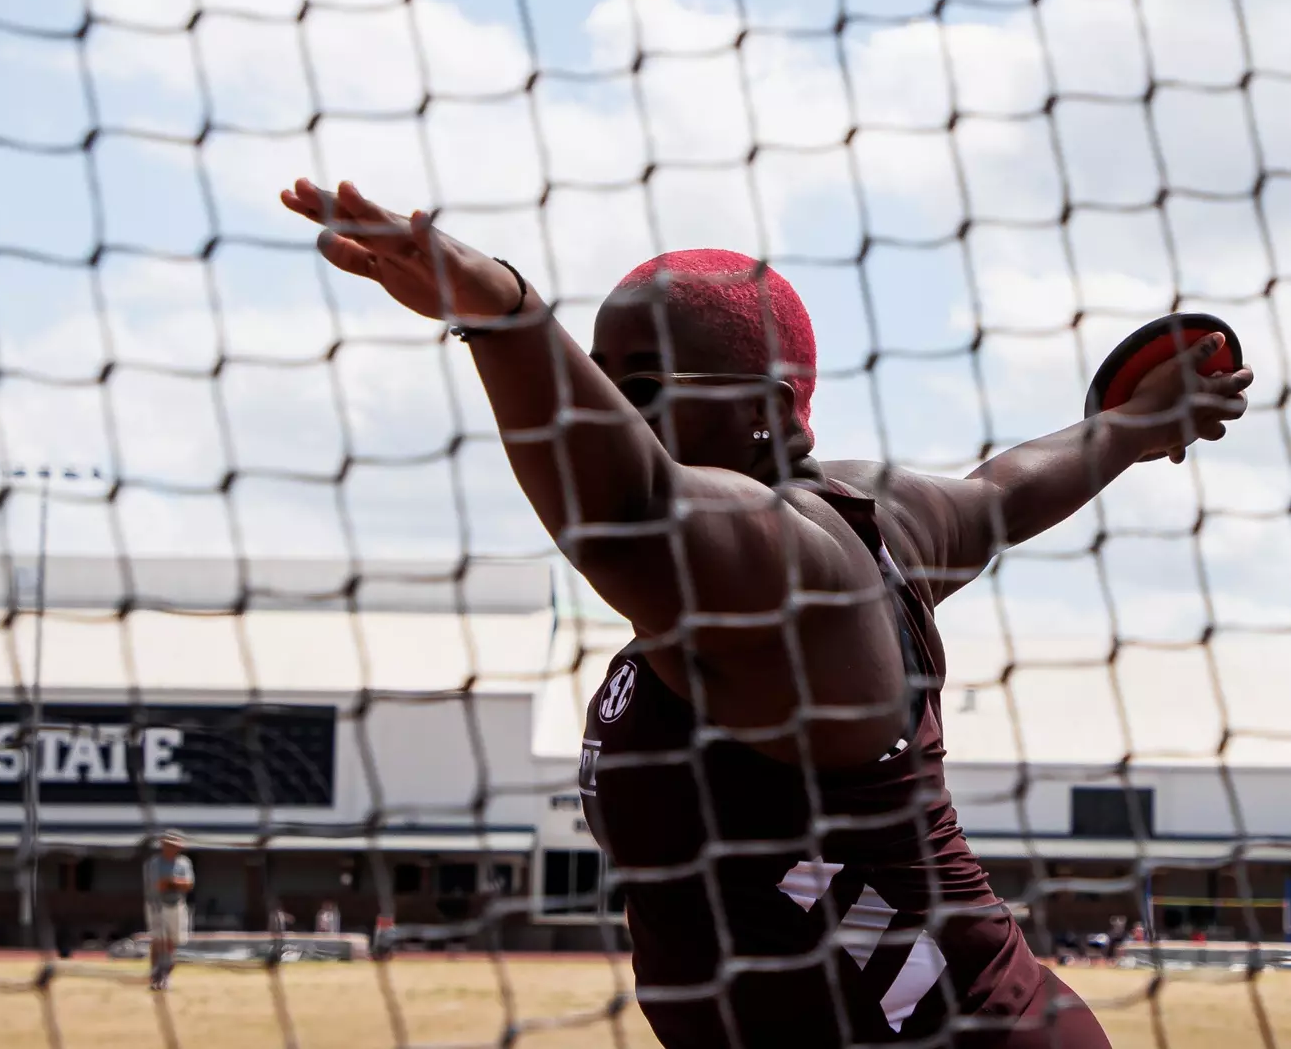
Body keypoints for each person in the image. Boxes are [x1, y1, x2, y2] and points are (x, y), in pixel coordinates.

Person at [281, 178, 1253, 1047]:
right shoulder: (875, 521)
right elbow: (1002, 495)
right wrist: (1128, 427)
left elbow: (626, 509)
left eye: (643, 384)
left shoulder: (792, 566)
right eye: (603, 376)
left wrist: (504, 315)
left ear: (769, 404)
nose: (613, 407)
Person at [143, 831, 194, 992]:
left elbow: (189, 885)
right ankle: (155, 974)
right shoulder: (154, 863)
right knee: (158, 940)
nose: (173, 848)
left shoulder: (184, 863)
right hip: (157, 905)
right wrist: (177, 882)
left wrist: (172, 882)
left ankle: (165, 975)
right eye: (170, 844)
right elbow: (159, 885)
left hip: (177, 905)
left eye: (176, 845)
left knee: (173, 941)